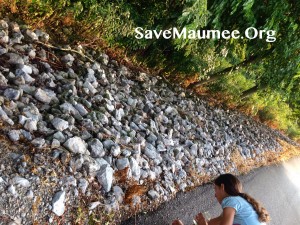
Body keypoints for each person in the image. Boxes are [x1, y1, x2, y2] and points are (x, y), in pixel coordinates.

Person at [172, 173, 270, 225]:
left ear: (222, 187)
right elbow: (216, 222)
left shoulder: (231, 200)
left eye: (215, 189)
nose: (215, 195)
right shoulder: (238, 203)